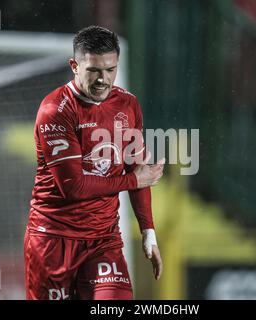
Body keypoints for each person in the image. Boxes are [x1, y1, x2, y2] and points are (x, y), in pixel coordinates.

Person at [24, 25, 165, 300]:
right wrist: (135, 180)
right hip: (53, 239)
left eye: (110, 70)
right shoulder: (55, 110)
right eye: (94, 71)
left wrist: (148, 232)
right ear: (74, 65)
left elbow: (137, 169)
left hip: (104, 240)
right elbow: (73, 187)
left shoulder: (128, 104)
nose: (104, 79)